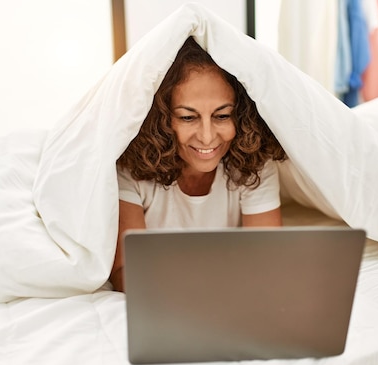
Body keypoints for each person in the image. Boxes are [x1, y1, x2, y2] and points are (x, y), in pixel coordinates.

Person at [109, 37, 287, 291]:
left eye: (222, 115)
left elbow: (269, 261)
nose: (206, 136)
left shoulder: (254, 165)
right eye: (188, 117)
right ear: (162, 119)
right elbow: (124, 272)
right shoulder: (130, 171)